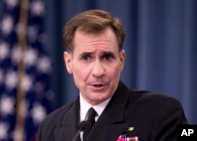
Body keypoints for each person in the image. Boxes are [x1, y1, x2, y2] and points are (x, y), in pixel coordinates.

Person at [37, 9, 187, 141]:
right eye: (86, 58)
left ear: (121, 60)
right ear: (69, 62)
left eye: (107, 57)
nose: (98, 72)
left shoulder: (163, 112)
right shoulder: (50, 126)